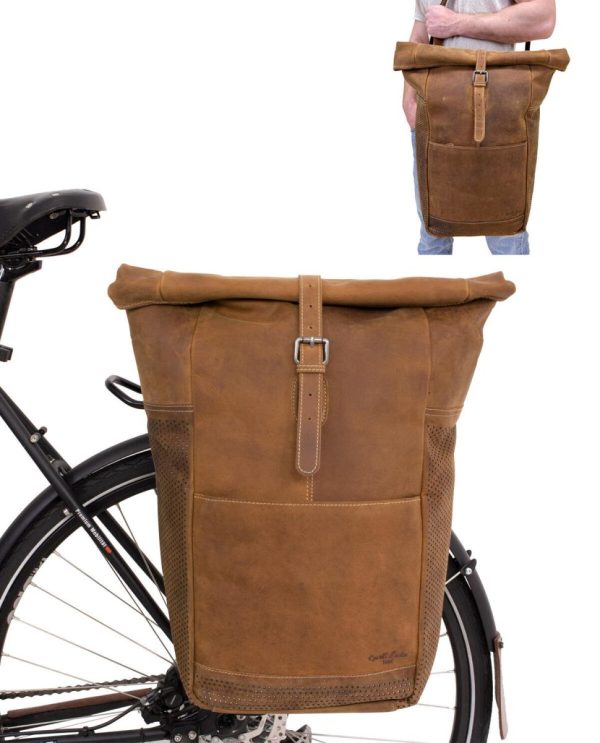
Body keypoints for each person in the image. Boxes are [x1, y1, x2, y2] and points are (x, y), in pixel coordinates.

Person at [404, 0, 556, 255]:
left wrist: (457, 23)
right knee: (433, 230)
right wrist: (409, 100)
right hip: (435, 113)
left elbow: (544, 18)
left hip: (498, 113)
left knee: (506, 234)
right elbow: (420, 34)